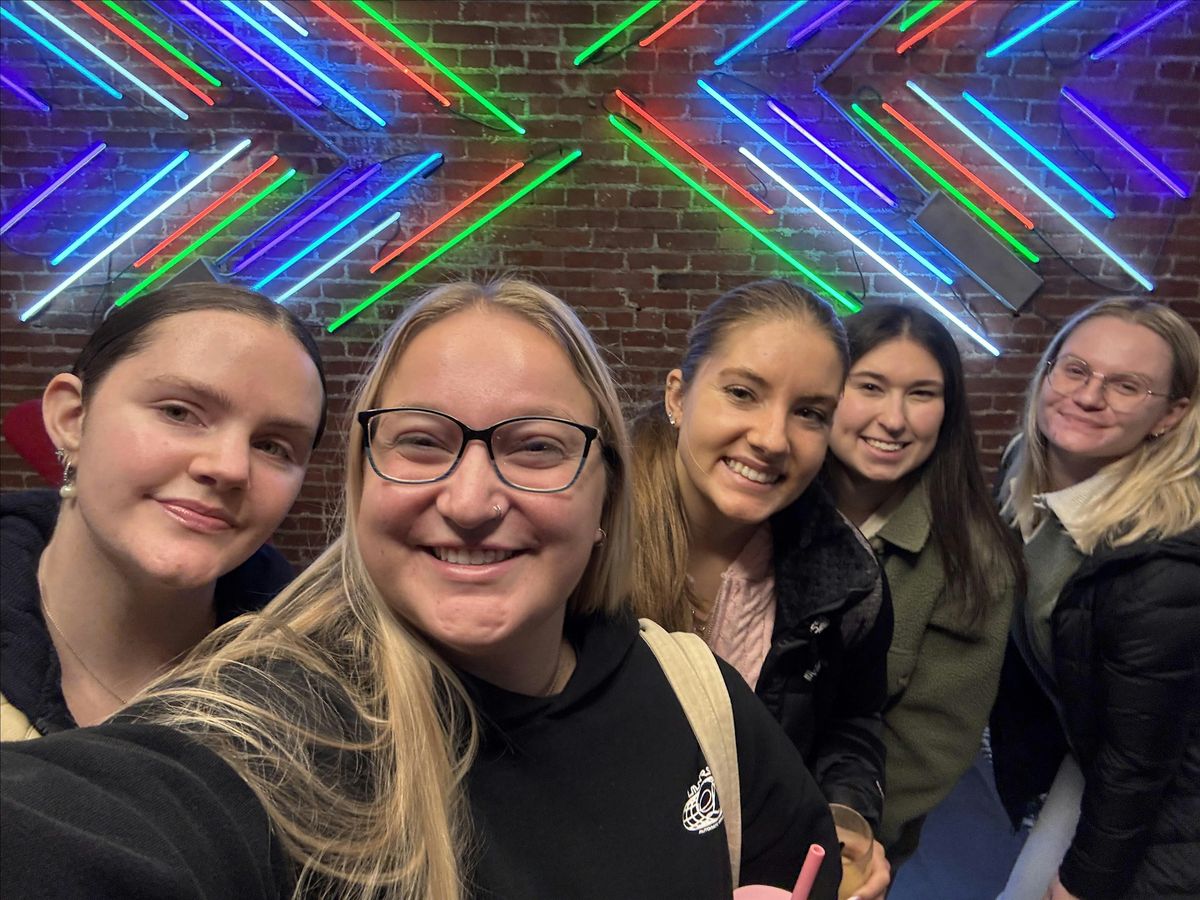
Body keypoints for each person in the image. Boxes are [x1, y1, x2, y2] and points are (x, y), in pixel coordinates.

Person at [1, 278, 842, 900]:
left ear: (605, 502)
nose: (471, 502)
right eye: (420, 442)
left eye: (536, 448)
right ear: (363, 483)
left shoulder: (693, 693)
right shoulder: (283, 734)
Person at [629, 279, 893, 899]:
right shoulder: (583, 535)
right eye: (743, 393)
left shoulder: (846, 580)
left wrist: (843, 811)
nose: (773, 439)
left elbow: (851, 721)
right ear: (678, 395)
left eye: (809, 413)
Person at [0, 283, 327, 740]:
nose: (229, 467)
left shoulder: (331, 704)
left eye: (273, 446)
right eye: (179, 412)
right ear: (72, 419)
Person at [990, 298, 1199, 900]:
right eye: (1076, 369)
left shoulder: (1161, 561)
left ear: (1170, 414)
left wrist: (1084, 883)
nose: (1087, 396)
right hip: (1093, 753)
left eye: (1126, 386)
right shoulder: (1023, 473)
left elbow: (1142, 759)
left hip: (1171, 792)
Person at [822, 304, 1024, 866]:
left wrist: (824, 831)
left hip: (842, 845)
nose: (894, 419)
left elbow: (928, 746)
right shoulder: (766, 503)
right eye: (870, 386)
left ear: (948, 410)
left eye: (921, 394)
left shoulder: (974, 560)